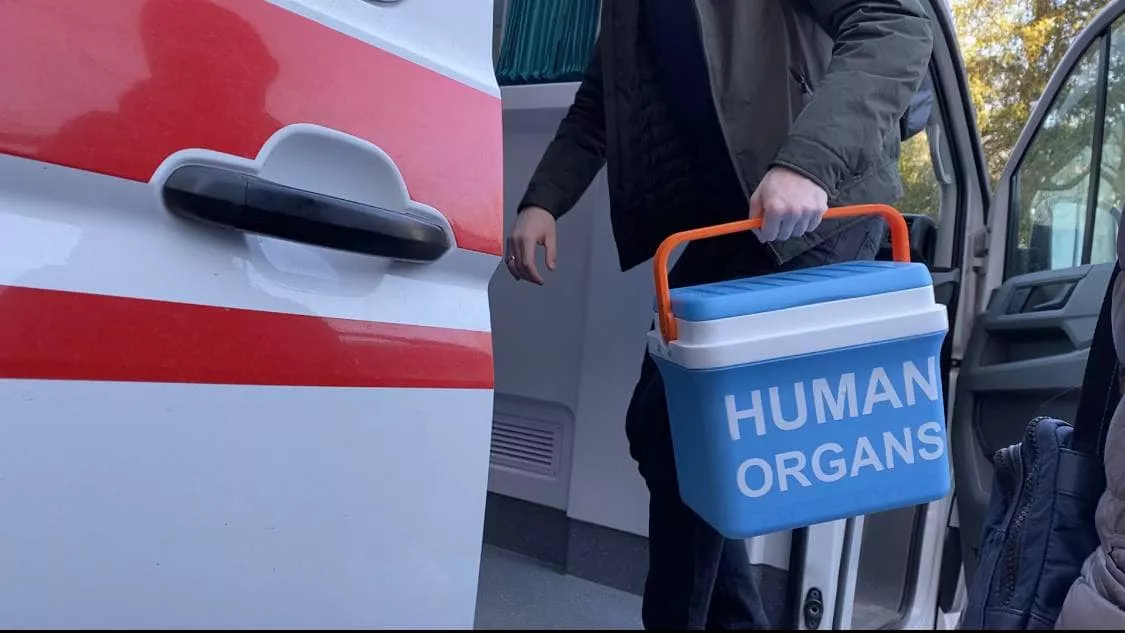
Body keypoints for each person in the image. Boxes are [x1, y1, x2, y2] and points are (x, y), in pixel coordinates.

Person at [505, 1, 934, 629]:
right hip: (727, 224)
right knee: (670, 432)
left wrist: (807, 163)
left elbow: (895, 21)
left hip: (816, 213)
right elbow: (600, 105)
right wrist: (543, 200)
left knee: (679, 430)